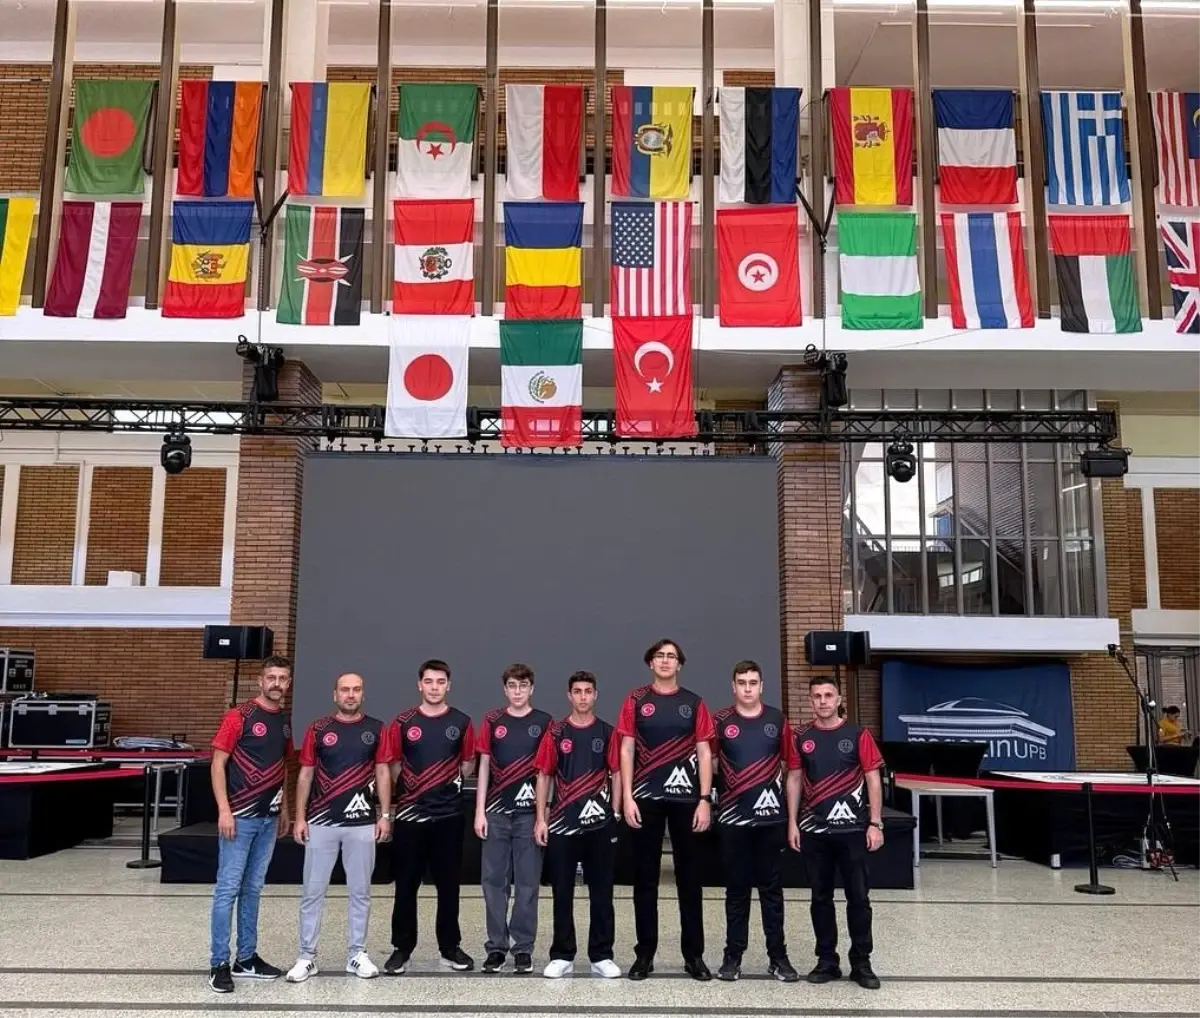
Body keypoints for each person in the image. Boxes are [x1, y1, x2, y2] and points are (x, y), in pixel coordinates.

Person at [617, 638, 716, 981]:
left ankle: (694, 956)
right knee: (645, 880)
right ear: (650, 663)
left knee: (690, 880)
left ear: (679, 664)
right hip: (645, 800)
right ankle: (644, 955)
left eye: (671, 656)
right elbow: (626, 750)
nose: (665, 661)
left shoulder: (694, 703)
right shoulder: (635, 700)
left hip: (687, 801)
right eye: (659, 656)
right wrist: (627, 797)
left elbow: (704, 753)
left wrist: (704, 799)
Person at [286, 672, 392, 983]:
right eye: (345, 690)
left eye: (356, 689)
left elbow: (383, 773)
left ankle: (357, 954)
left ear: (363, 694)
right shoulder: (318, 729)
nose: (350, 694)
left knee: (360, 892)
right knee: (312, 892)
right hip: (321, 822)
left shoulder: (376, 729)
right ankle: (306, 957)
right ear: (335, 695)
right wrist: (300, 817)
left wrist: (385, 815)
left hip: (362, 823)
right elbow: (305, 775)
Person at [786, 675, 884, 990]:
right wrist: (792, 823)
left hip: (853, 831)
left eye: (828, 695)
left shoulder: (858, 734)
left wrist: (875, 823)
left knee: (859, 898)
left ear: (839, 699)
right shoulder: (800, 736)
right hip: (814, 832)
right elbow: (794, 779)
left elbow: (872, 779)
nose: (823, 701)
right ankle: (827, 961)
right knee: (820, 898)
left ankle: (862, 963)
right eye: (817, 696)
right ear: (810, 701)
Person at [207, 655, 294, 993]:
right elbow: (218, 763)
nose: (276, 683)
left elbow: (282, 766)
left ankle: (246, 958)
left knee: (253, 888)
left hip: (268, 820)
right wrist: (224, 810)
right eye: (271, 677)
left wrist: (284, 808)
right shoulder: (239, 716)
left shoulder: (284, 722)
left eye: (282, 678)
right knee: (227, 889)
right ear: (260, 681)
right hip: (239, 818)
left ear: (288, 683)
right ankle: (219, 963)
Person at [385, 659, 476, 975]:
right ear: (419, 685)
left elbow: (467, 765)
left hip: (449, 817)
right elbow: (394, 765)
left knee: (449, 886)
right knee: (406, 885)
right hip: (411, 817)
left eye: (440, 682)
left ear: (448, 685)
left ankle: (450, 947)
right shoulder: (402, 722)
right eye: (429, 681)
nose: (434, 687)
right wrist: (415, 791)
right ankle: (402, 948)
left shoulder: (462, 722)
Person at [711, 660, 800, 983]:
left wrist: (791, 819)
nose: (747, 689)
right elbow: (710, 762)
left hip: (770, 821)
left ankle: (778, 957)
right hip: (733, 820)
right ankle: (732, 957)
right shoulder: (720, 721)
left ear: (761, 686)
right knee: (736, 890)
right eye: (742, 683)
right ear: (733, 687)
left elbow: (791, 769)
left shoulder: (778, 720)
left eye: (753, 683)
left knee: (771, 890)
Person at [534, 670, 623, 980]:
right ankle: (562, 955)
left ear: (595, 695)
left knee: (602, 892)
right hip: (562, 825)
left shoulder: (608, 733)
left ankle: (602, 955)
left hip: (599, 825)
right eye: (577, 691)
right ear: (569, 696)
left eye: (588, 691)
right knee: (562, 892)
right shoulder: (556, 733)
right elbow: (544, 776)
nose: (583, 696)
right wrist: (541, 818)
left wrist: (614, 813)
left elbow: (617, 774)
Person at [475, 663, 552, 974]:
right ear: (504, 689)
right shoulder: (492, 720)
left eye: (523, 686)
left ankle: (523, 949)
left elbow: (547, 773)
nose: (517, 691)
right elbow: (483, 766)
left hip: (528, 816)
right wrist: (479, 811)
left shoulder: (545, 722)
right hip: (495, 813)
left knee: (527, 883)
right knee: (493, 882)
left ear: (531, 689)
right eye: (512, 686)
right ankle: (496, 948)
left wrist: (542, 816)